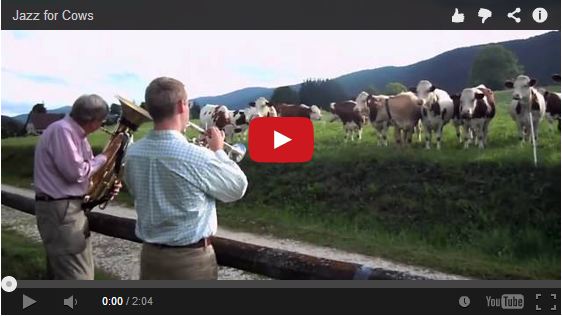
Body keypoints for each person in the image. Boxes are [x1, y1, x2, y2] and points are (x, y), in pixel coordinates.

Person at [124, 77, 248, 280]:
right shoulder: (199, 157)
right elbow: (237, 188)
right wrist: (218, 151)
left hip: (150, 258)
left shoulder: (132, 153)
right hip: (191, 262)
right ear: (182, 105)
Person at [34, 94, 117, 280]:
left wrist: (106, 187)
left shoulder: (75, 134)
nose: (102, 126)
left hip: (66, 209)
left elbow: (84, 176)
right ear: (92, 120)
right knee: (77, 275)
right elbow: (75, 172)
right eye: (102, 121)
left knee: (64, 271)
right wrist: (105, 156)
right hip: (62, 210)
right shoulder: (63, 132)